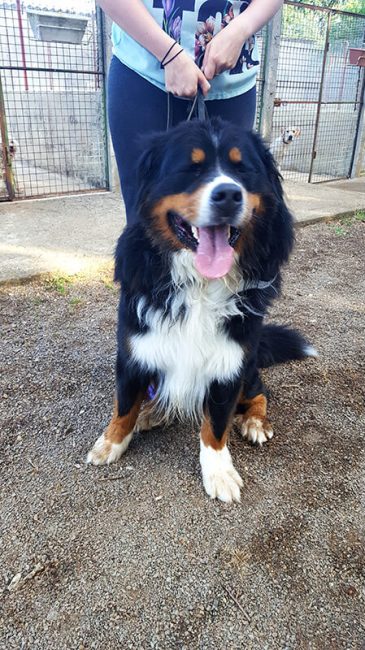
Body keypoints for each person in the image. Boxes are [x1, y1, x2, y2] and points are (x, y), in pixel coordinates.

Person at [97, 0, 284, 225]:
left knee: (231, 215)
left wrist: (240, 29)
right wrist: (168, 54)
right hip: (143, 72)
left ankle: (216, 261)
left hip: (233, 79)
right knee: (143, 214)